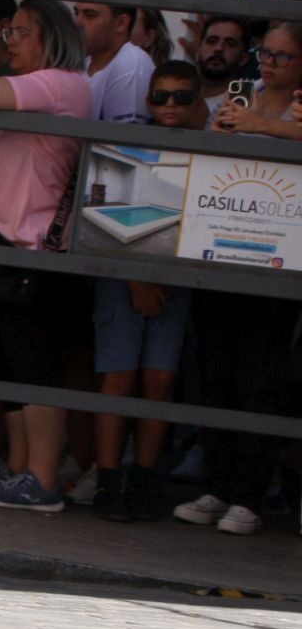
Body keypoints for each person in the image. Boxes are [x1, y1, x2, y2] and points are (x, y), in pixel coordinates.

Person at [0, 0, 94, 513]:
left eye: (20, 31)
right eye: (7, 29)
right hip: (1, 244)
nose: (9, 39)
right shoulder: (37, 93)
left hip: (33, 249)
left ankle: (42, 479)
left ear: (53, 38)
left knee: (36, 366)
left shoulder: (63, 83)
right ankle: (22, 470)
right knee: (8, 364)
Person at [85, 61, 206, 523]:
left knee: (159, 379)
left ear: (198, 101)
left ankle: (146, 480)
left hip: (179, 280)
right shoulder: (125, 143)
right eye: (160, 96)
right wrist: (137, 279)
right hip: (121, 275)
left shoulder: (209, 147)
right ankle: (109, 480)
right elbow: (103, 218)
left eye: (181, 96)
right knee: (118, 377)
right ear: (147, 101)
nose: (169, 105)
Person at [76, 0, 152, 123]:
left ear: (121, 23)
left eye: (90, 15)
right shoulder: (85, 62)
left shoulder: (131, 65)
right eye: (76, 13)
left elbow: (122, 143)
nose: (78, 22)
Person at [214, 20, 302, 142]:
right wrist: (216, 134)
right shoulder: (241, 93)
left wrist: (260, 124)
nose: (269, 62)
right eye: (266, 53)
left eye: (282, 56)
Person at [188, 16, 251, 117]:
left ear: (244, 59)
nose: (219, 48)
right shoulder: (174, 98)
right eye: (212, 41)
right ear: (198, 51)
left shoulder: (243, 107)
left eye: (230, 44)